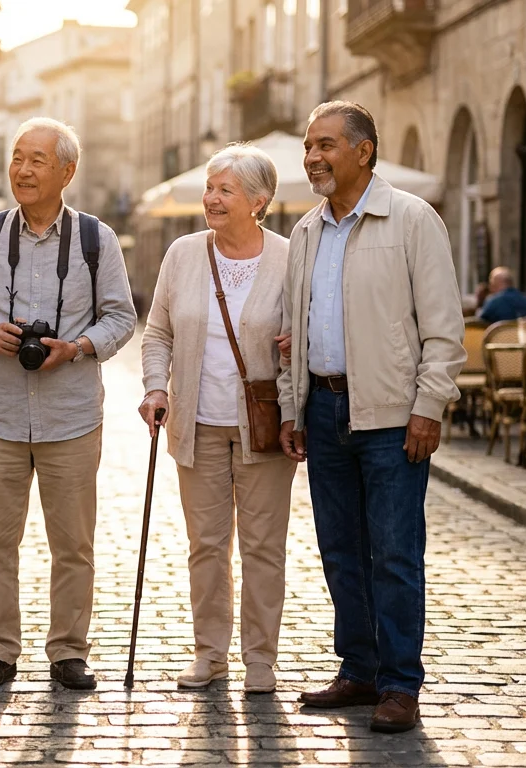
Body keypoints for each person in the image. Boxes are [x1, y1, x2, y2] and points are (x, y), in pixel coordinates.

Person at [275, 101, 465, 733]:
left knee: (395, 553)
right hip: (323, 409)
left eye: (326, 145)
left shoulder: (412, 220)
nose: (312, 157)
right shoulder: (305, 232)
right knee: (340, 551)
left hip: (390, 416)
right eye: (308, 146)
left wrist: (428, 407)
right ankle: (358, 670)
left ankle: (400, 685)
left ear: (363, 151)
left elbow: (443, 331)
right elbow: (292, 331)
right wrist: (291, 404)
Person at [0, 117, 137, 692]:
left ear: (67, 172)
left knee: (73, 545)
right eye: (17, 158)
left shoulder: (95, 240)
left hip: (72, 415)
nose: (23, 170)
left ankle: (68, 652)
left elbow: (122, 317)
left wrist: (77, 347)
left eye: (37, 160)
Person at [138, 144, 295, 693]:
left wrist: (296, 348)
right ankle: (210, 653)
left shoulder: (288, 257)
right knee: (205, 545)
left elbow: (307, 335)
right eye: (210, 188)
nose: (211, 198)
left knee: (263, 547)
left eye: (225, 190)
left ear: (259, 200)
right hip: (196, 426)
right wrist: (156, 388)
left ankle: (260, 659)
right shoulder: (183, 254)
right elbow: (157, 332)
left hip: (264, 428)